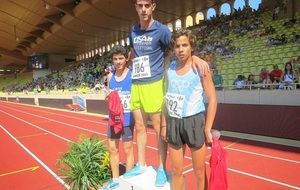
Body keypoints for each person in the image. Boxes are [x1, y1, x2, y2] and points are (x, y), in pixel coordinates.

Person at [123, 0, 210, 187]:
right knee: (139, 126)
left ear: (153, 6)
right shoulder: (133, 31)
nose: (143, 9)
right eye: (140, 5)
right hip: (136, 82)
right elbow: (132, 53)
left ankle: (161, 168)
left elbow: (180, 46)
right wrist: (122, 70)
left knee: (158, 129)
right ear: (136, 7)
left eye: (147, 5)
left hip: (154, 82)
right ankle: (142, 163)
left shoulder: (161, 30)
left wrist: (194, 56)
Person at [162, 28, 217, 190]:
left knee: (199, 172)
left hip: (194, 122)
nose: (181, 49)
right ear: (173, 48)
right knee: (176, 170)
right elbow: (166, 99)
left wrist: (207, 128)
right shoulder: (169, 70)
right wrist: (165, 124)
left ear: (191, 46)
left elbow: (213, 99)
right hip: (174, 122)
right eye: (177, 46)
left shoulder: (201, 69)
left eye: (185, 45)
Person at [100, 45, 134, 190]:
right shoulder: (110, 77)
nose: (118, 61)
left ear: (126, 58)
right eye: (115, 59)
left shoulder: (132, 75)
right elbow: (108, 96)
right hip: (113, 119)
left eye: (121, 58)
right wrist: (108, 98)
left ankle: (128, 180)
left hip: (127, 119)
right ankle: (115, 179)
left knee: (127, 150)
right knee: (113, 149)